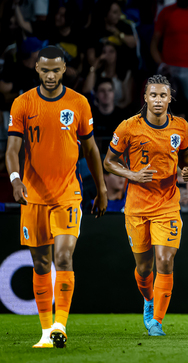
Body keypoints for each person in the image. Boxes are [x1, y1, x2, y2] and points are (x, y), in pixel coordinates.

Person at [5, 45, 108, 348]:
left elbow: (90, 149)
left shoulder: (79, 103)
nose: (50, 75)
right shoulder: (22, 104)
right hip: (33, 196)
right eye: (45, 70)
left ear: (64, 70)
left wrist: (101, 188)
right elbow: (11, 149)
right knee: (40, 264)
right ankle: (46, 332)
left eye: (56, 70)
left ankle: (60, 324)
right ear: (36, 69)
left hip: (67, 193)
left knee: (63, 256)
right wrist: (14, 180)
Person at [103, 74, 188, 337]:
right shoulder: (128, 127)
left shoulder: (181, 127)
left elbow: (186, 157)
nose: (158, 100)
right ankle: (148, 299)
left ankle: (157, 322)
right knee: (144, 268)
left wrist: (187, 171)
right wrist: (132, 175)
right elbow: (109, 161)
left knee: (165, 260)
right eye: (153, 95)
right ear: (145, 97)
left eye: (163, 95)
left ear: (169, 99)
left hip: (167, 204)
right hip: (137, 207)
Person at [85, 77, 128, 152]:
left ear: (113, 93)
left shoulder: (124, 116)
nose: (106, 94)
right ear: (96, 94)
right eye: (102, 91)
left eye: (110, 90)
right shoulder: (90, 116)